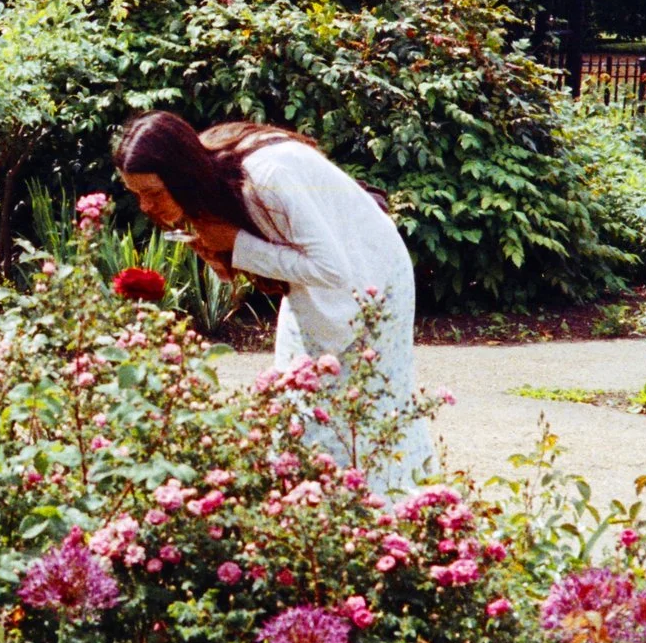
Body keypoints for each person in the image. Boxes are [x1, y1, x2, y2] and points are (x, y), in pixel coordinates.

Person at [114, 111, 433, 486]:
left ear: (180, 174)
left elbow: (333, 270)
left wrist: (238, 245)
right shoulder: (214, 178)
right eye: (137, 195)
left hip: (375, 277)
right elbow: (275, 254)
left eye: (153, 193)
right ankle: (314, 506)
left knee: (373, 406)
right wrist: (222, 254)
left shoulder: (266, 176)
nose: (146, 207)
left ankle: (396, 509)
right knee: (297, 400)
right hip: (318, 289)